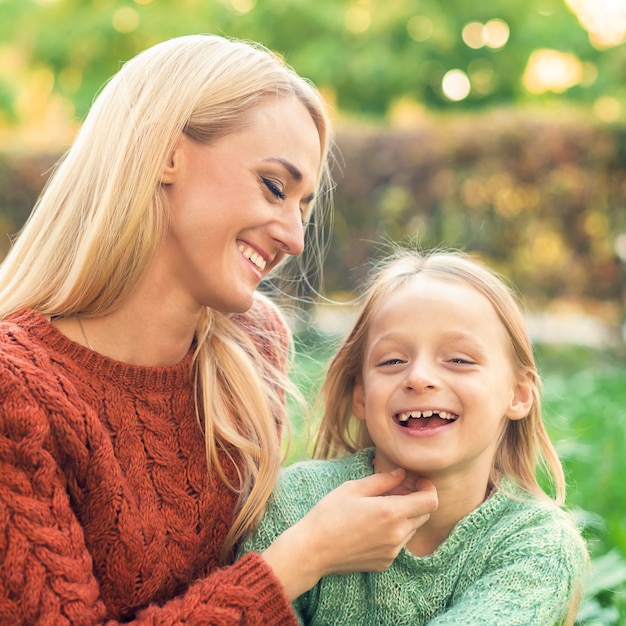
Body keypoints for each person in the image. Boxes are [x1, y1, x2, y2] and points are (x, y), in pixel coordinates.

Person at [0, 36, 439, 624]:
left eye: (303, 208)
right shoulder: (16, 390)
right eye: (275, 187)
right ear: (165, 153)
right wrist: (301, 560)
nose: (294, 237)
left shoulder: (253, 347)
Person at [239, 247, 589, 625]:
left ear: (518, 395)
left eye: (458, 359)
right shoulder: (294, 505)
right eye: (392, 361)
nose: (419, 377)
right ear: (361, 395)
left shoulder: (539, 546)